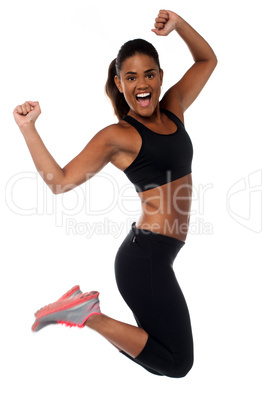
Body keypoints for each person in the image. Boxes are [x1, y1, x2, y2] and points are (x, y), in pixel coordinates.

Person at [13, 10, 217, 378]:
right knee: (176, 362)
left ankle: (83, 311)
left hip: (158, 253)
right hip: (145, 258)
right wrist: (28, 128)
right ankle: (87, 314)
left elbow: (207, 60)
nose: (143, 83)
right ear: (119, 82)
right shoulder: (118, 136)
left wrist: (180, 25)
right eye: (131, 76)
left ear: (160, 77)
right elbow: (59, 182)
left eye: (149, 74)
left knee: (166, 358)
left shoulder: (173, 109)